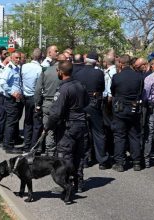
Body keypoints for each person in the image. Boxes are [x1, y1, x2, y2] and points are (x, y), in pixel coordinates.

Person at [44, 61, 89, 195]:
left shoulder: (63, 89)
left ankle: (66, 185)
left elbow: (56, 113)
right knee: (78, 155)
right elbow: (87, 102)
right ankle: (78, 183)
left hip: (68, 127)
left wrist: (48, 127)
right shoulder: (80, 85)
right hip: (81, 125)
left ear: (60, 72)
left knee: (65, 157)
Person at [74, 51, 109, 169]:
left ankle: (84, 160)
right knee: (98, 132)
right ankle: (102, 160)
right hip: (94, 103)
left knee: (83, 133)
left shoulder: (78, 73)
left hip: (81, 104)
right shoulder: (99, 73)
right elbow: (102, 87)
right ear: (95, 62)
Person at [110, 55, 144, 172]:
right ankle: (137, 162)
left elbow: (113, 91)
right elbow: (140, 92)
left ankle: (120, 163)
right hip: (134, 108)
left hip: (120, 109)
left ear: (120, 63)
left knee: (120, 135)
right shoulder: (139, 77)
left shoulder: (117, 77)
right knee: (134, 135)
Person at [35, 47, 60, 156]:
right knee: (60, 128)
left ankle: (50, 152)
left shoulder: (45, 71)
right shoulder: (64, 73)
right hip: (60, 103)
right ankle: (57, 152)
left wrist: (37, 104)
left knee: (49, 129)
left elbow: (37, 89)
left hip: (47, 103)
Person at [0, 51, 23, 154]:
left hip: (14, 99)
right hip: (10, 99)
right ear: (11, 58)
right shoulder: (9, 68)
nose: (18, 59)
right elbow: (2, 83)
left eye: (19, 58)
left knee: (12, 122)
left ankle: (7, 143)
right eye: (16, 58)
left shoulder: (16, 68)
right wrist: (12, 92)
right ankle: (9, 146)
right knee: (11, 122)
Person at [21, 48, 43, 152]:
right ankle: (33, 147)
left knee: (27, 122)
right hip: (35, 98)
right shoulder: (40, 69)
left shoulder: (24, 66)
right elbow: (39, 87)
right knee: (36, 124)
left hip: (26, 97)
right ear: (41, 57)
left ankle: (26, 145)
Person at [102, 54, 117, 157]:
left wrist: (108, 102)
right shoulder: (109, 71)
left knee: (109, 125)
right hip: (107, 99)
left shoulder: (112, 72)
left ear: (105, 62)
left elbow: (110, 89)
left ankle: (111, 148)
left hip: (109, 100)